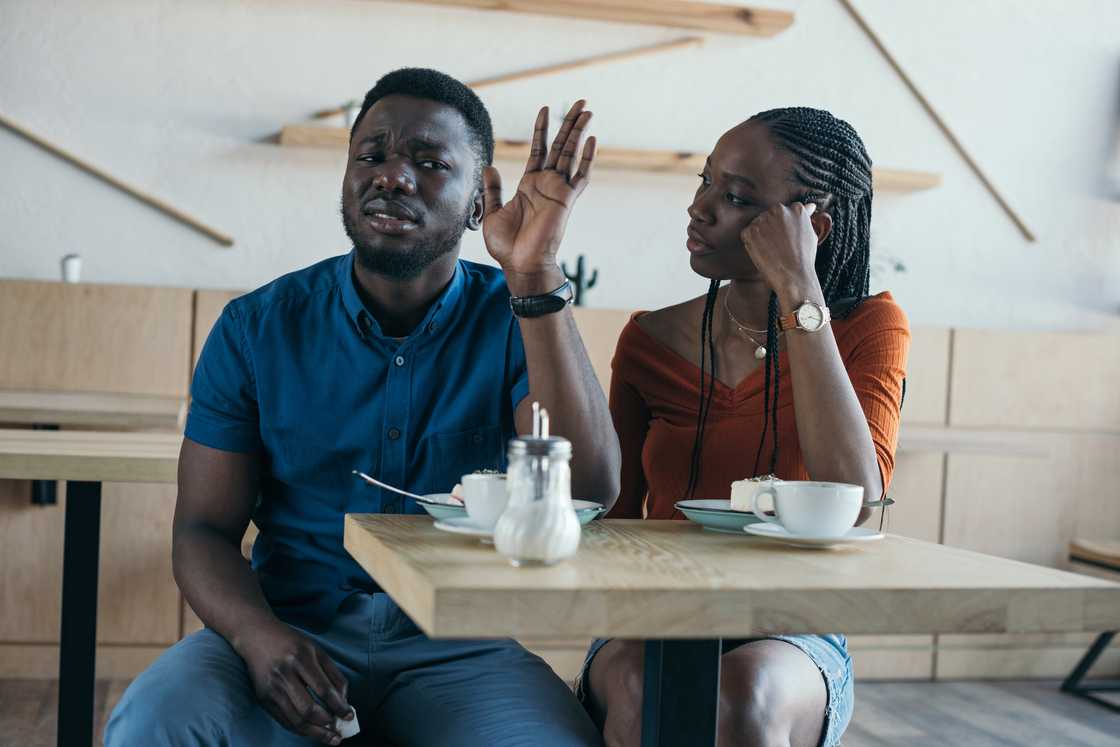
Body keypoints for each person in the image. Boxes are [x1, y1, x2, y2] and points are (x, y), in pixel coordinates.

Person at [107, 67, 619, 746]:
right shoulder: (257, 327)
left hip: (459, 647)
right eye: (371, 156)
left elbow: (590, 490)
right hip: (288, 627)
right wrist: (261, 641)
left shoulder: (518, 317)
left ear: (477, 202)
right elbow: (201, 532)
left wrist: (535, 277)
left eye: (430, 162)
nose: (393, 176)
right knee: (156, 724)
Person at [579, 107, 910, 747]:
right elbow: (610, 519)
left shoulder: (869, 327)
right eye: (705, 182)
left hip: (797, 627)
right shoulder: (649, 339)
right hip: (653, 618)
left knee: (746, 692)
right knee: (643, 688)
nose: (697, 209)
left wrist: (798, 293)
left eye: (733, 197)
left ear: (809, 226)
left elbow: (861, 502)